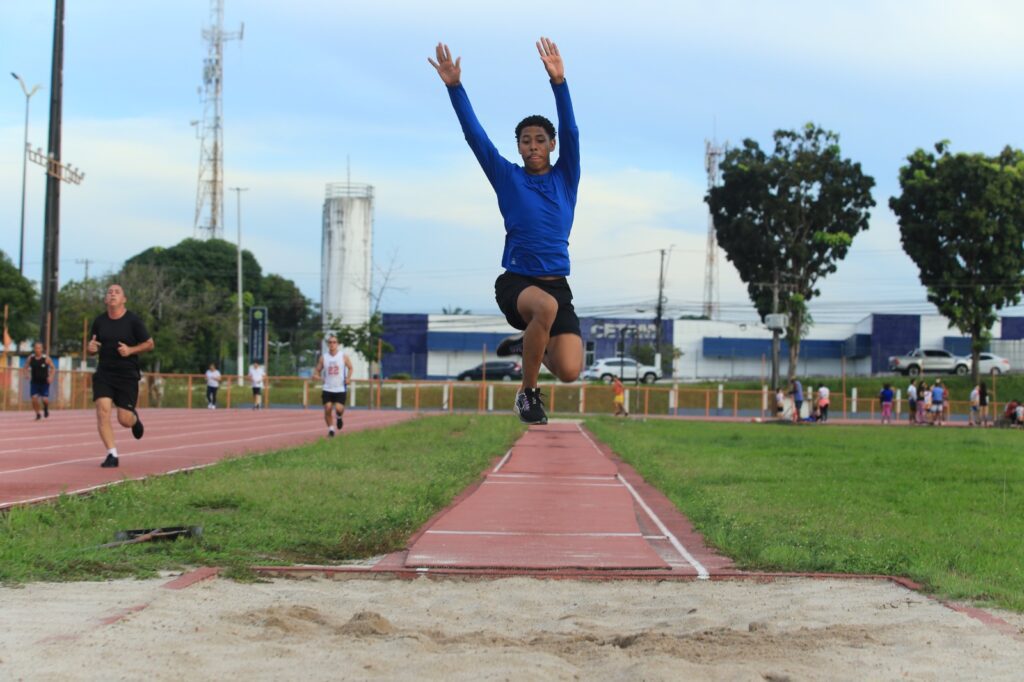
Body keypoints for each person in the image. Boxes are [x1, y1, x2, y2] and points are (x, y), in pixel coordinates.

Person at [429, 38, 582, 426]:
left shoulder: (567, 177)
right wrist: (455, 88)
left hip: (557, 284)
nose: (533, 147)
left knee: (569, 371)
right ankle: (527, 395)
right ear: (518, 146)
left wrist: (560, 83)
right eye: (525, 141)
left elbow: (573, 130)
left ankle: (528, 341)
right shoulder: (507, 177)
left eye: (540, 141)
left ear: (551, 145)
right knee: (543, 309)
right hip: (517, 283)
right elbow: (475, 137)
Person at [87, 283, 154, 468]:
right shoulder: (99, 321)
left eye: (117, 292)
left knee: (123, 419)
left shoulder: (133, 321)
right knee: (102, 411)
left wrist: (131, 349)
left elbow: (149, 344)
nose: (113, 294)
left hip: (127, 375)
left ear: (124, 299)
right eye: (109, 292)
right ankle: (112, 454)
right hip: (105, 373)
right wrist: (91, 348)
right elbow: (93, 346)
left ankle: (134, 420)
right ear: (105, 299)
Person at [313, 335, 353, 437]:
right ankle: (331, 429)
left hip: (340, 388)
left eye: (334, 342)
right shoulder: (324, 357)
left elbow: (351, 368)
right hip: (328, 387)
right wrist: (316, 375)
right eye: (330, 342)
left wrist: (348, 378)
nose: (332, 344)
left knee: (339, 409)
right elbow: (317, 370)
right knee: (328, 407)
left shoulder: (343, 356)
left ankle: (339, 418)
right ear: (327, 344)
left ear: (338, 344)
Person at [24, 341, 55, 420]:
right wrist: (26, 374)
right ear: (34, 349)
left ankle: (45, 408)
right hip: (34, 382)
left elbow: (53, 368)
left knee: (45, 399)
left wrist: (51, 377)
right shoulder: (31, 358)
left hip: (44, 382)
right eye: (36, 348)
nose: (37, 349)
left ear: (42, 349)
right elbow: (25, 367)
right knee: (34, 399)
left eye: (39, 348)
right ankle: (38, 414)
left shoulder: (46, 358)